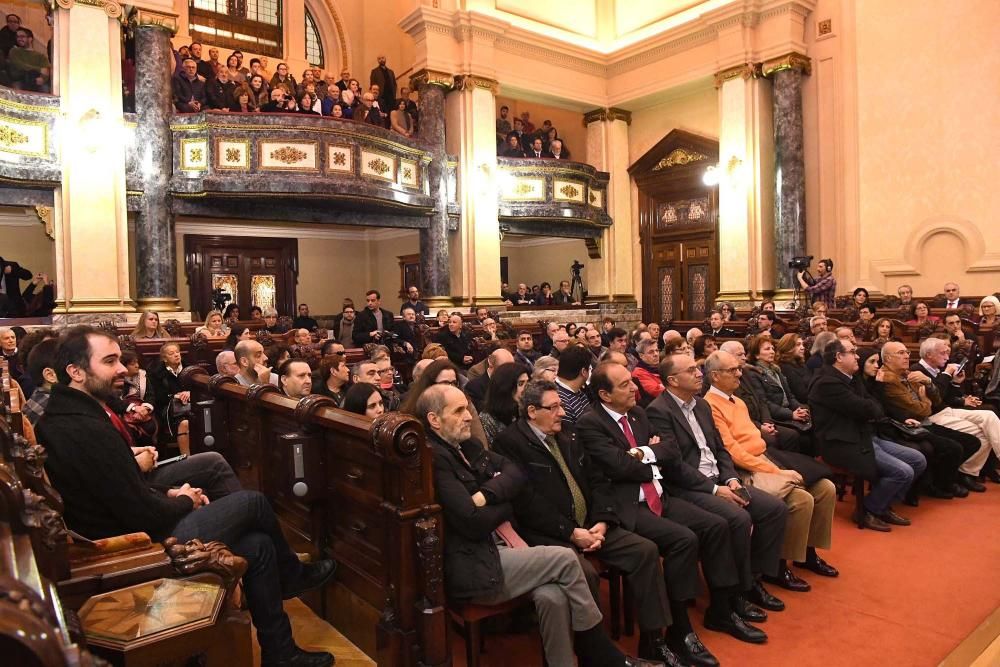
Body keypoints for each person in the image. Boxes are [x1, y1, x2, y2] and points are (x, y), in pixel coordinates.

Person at [37, 326, 337, 667]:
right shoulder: (83, 427)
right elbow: (139, 511)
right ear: (76, 372)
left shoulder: (73, 414)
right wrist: (185, 500)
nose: (122, 368)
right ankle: (293, 577)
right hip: (136, 547)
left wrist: (173, 490)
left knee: (258, 546)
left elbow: (123, 488)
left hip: (132, 527)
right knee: (252, 503)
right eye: (110, 361)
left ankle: (280, 652)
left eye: (120, 359)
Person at [419, 384, 657, 667]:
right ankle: (604, 657)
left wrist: (489, 496)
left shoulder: (467, 445)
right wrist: (505, 502)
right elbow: (472, 522)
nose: (469, 417)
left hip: (505, 544)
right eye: (458, 411)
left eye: (467, 408)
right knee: (567, 559)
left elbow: (515, 474)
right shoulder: (433, 458)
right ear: (434, 419)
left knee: (553, 596)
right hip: (478, 562)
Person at [493, 379, 685, 665]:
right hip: (551, 535)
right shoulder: (510, 443)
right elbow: (527, 503)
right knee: (585, 573)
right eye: (554, 407)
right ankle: (593, 653)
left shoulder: (569, 433)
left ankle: (653, 641)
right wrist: (571, 533)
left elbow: (598, 480)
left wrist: (603, 521)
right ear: (532, 411)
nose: (562, 413)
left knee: (644, 551)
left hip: (592, 525)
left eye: (561, 405)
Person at [576, 362, 761, 654]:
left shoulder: (637, 414)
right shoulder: (590, 423)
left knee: (717, 525)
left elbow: (671, 452)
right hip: (628, 505)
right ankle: (679, 627)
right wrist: (650, 457)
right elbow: (617, 466)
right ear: (605, 394)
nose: (634, 388)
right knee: (683, 540)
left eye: (631, 381)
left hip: (659, 496)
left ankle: (722, 608)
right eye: (624, 385)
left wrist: (641, 453)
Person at [646, 353, 788, 619]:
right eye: (691, 371)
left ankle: (753, 579)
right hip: (690, 487)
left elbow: (720, 448)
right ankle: (733, 596)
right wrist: (714, 489)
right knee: (737, 518)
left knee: (774, 509)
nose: (699, 374)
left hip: (720, 478)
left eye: (697, 369)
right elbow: (675, 465)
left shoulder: (701, 405)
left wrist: (731, 478)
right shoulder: (659, 411)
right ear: (673, 380)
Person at [704, 351, 838, 590]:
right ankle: (778, 565)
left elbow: (755, 438)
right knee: (801, 499)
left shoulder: (738, 400)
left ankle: (807, 553)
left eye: (738, 368)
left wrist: (773, 463)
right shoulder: (710, 405)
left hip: (764, 458)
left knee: (825, 487)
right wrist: (776, 471)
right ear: (715, 376)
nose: (740, 373)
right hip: (744, 468)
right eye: (733, 370)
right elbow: (732, 452)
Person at [809, 338, 927, 530]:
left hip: (863, 436)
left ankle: (882, 504)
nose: (857, 356)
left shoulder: (849, 377)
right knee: (902, 472)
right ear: (839, 357)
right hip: (842, 443)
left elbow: (875, 407)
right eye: (852, 352)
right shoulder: (827, 383)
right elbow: (868, 409)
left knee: (918, 459)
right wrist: (870, 409)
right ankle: (868, 510)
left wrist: (870, 409)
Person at [877, 341, 978, 497]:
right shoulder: (889, 379)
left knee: (972, 441)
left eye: (907, 353)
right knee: (954, 447)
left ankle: (943, 479)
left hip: (924, 421)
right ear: (888, 359)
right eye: (901, 353)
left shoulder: (908, 373)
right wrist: (924, 399)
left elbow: (936, 400)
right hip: (909, 426)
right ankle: (941, 485)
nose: (907, 356)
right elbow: (921, 409)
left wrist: (928, 382)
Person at [478, 363, 530, 445]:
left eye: (527, 383)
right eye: (520, 384)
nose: (526, 389)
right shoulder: (487, 419)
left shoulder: (525, 410)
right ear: (506, 387)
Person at [556, 346, 593, 424]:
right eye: (590, 369)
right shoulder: (560, 402)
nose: (591, 373)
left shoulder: (579, 391)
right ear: (583, 372)